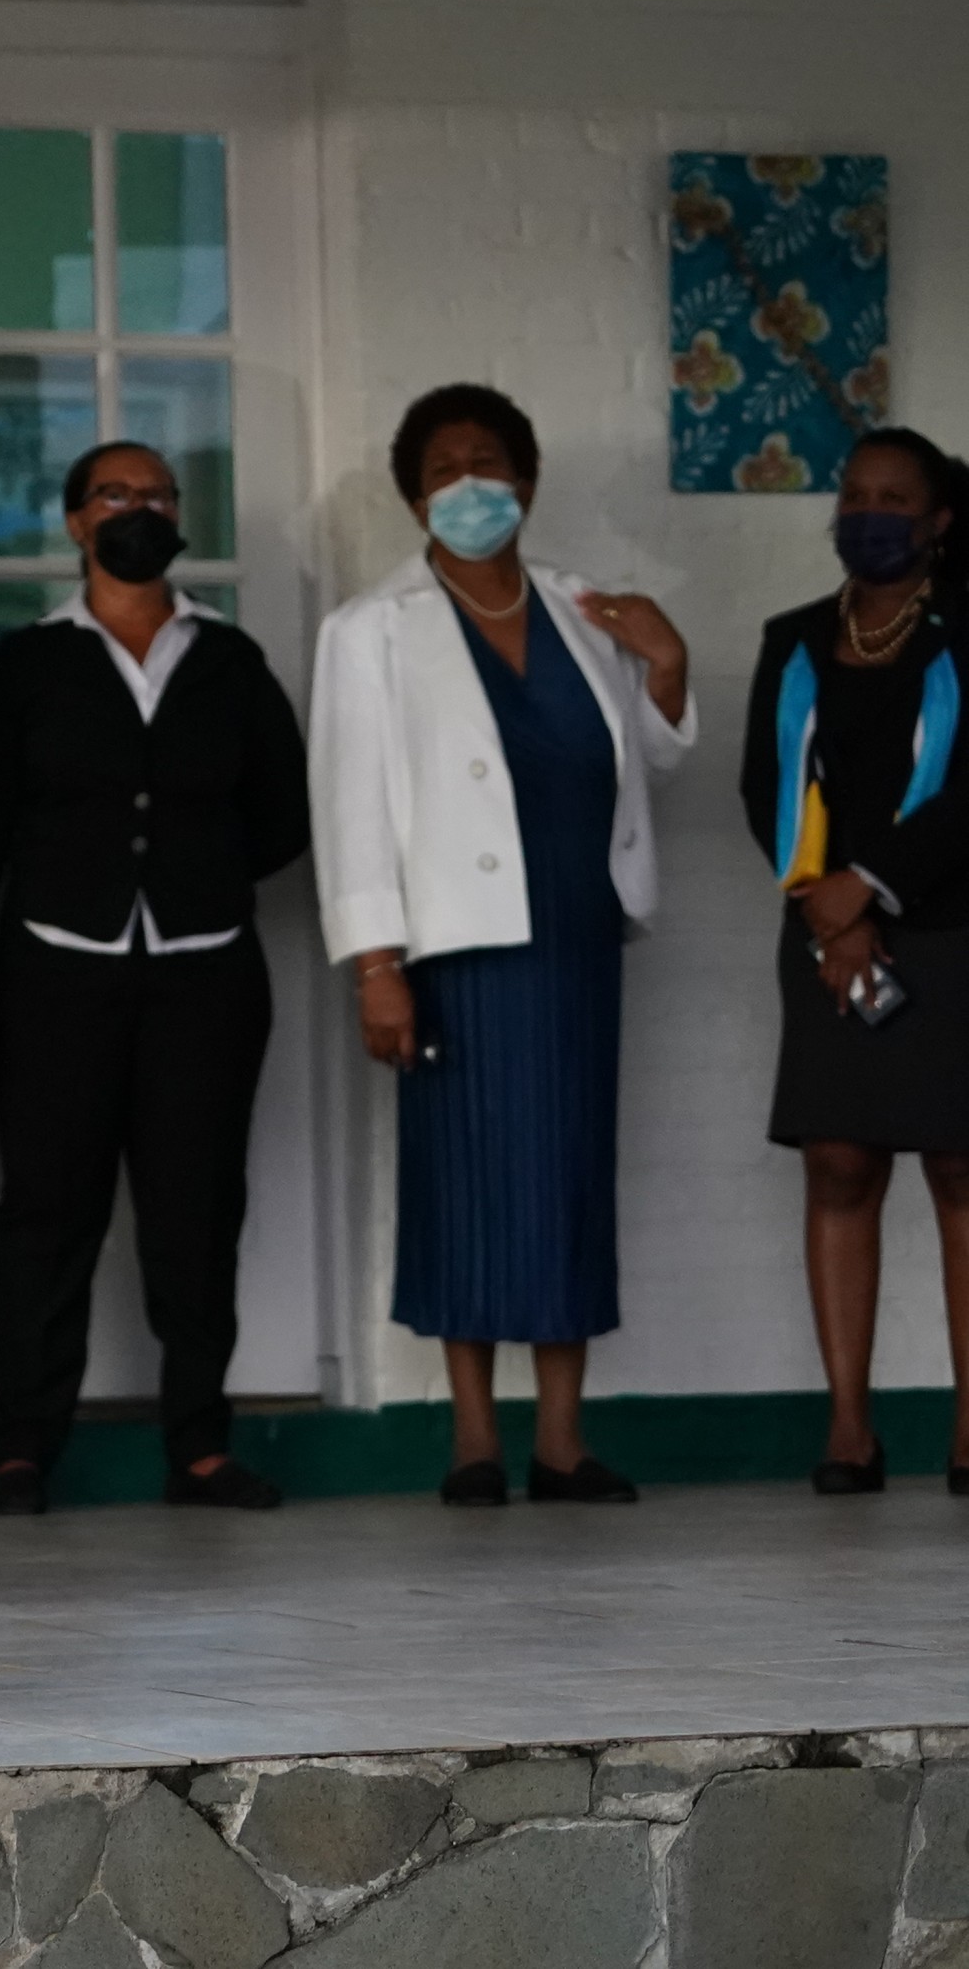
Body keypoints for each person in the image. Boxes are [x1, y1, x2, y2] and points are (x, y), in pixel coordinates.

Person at [311, 383, 691, 1507]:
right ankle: (475, 1440)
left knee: (569, 1180)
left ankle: (563, 1442)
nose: (468, 483)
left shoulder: (589, 610)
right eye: (443, 467)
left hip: (577, 935)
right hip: (453, 950)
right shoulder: (369, 631)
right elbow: (350, 804)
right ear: (412, 495)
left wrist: (665, 664)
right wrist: (376, 963)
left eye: (488, 461)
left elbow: (650, 760)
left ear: (526, 479)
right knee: (469, 1184)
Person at [0, 441, 309, 1516]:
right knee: (47, 1215)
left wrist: (198, 872)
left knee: (196, 1211)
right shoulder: (30, 667)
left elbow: (282, 814)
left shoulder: (229, 662)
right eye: (116, 495)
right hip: (53, 975)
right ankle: (22, 1446)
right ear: (75, 523)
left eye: (157, 496)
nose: (139, 510)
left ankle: (198, 1443)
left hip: (206, 978)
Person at [738, 425, 969, 1494]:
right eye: (854, 494)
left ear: (938, 524)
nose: (868, 513)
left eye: (893, 498)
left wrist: (872, 888)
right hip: (827, 937)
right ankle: (848, 1427)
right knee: (839, 1162)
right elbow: (765, 791)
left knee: (960, 1170)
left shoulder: (965, 633)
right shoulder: (793, 640)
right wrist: (836, 914)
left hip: (951, 927)